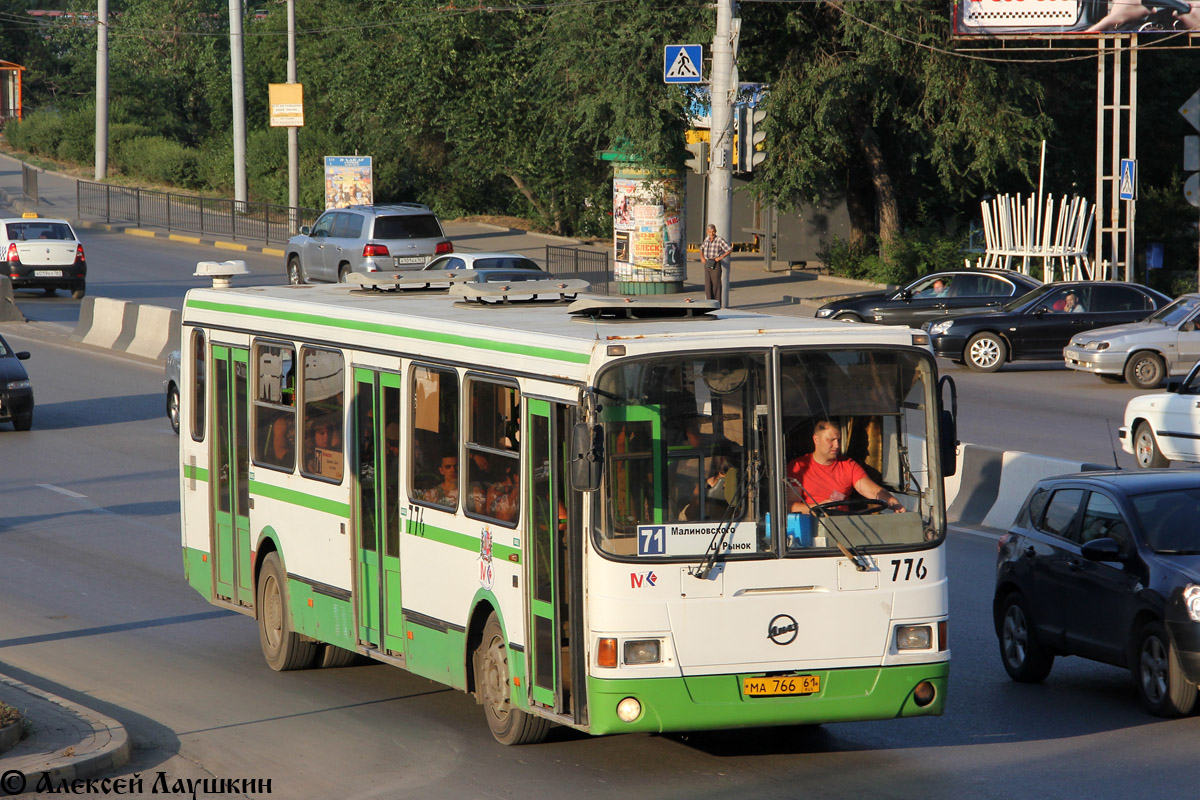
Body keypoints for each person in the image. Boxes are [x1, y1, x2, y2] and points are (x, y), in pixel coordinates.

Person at [787, 419, 906, 514]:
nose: (837, 445)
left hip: (844, 528)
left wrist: (892, 501)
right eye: (831, 440)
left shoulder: (848, 466)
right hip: (810, 528)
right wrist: (819, 507)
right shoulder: (798, 466)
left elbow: (872, 490)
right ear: (816, 439)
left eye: (838, 440)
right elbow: (790, 506)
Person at [699, 224, 733, 305]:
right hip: (707, 263)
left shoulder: (719, 239)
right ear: (707, 232)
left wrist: (720, 257)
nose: (712, 233)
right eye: (710, 232)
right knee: (708, 284)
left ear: (715, 231)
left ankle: (717, 303)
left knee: (716, 284)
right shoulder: (706, 239)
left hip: (715, 263)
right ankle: (709, 302)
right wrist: (702, 257)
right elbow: (701, 248)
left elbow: (729, 249)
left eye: (713, 231)